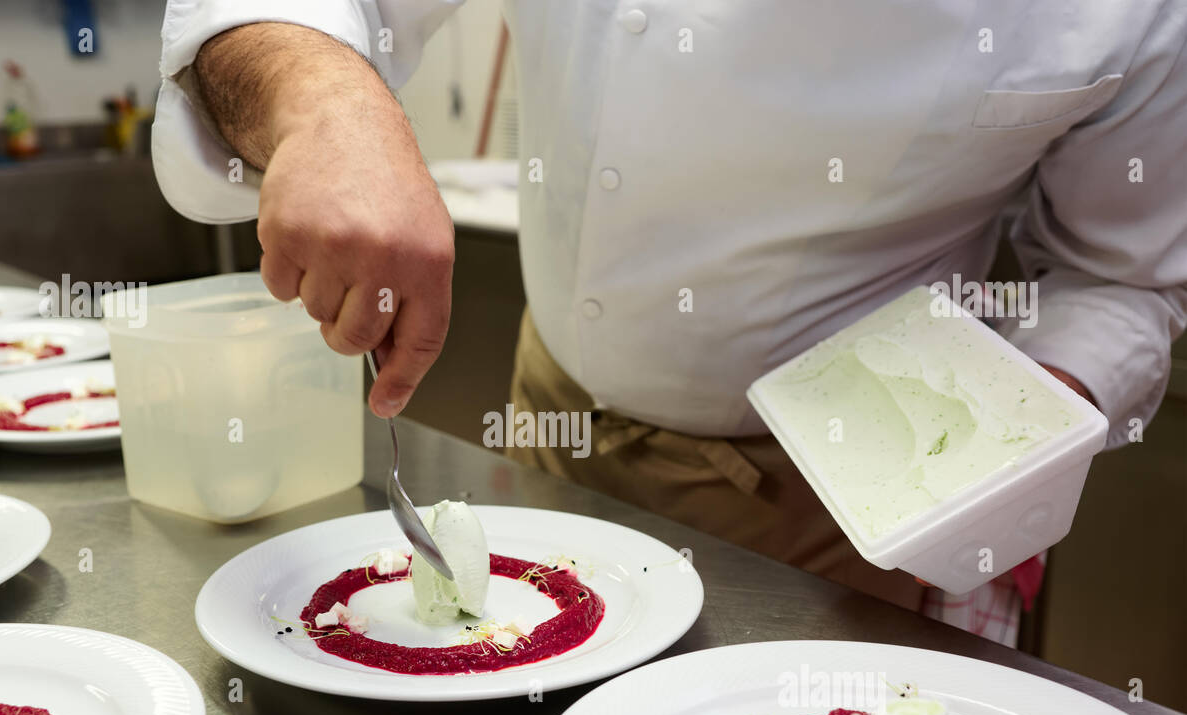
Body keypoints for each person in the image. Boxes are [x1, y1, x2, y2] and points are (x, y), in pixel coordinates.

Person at [152, 2, 1187, 640]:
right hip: (547, 433)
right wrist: (328, 106)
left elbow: (1124, 273)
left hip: (836, 520)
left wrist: (1029, 414)